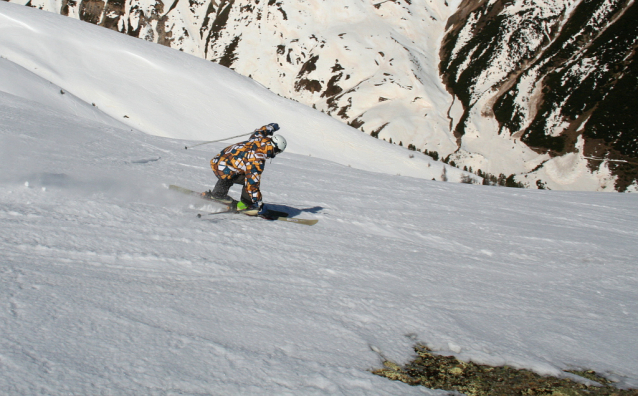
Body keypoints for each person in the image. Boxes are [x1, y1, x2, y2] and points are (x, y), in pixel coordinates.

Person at [206, 123, 287, 215]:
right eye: (278, 151)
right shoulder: (257, 158)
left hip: (218, 162)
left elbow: (259, 131)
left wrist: (271, 127)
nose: (276, 154)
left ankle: (218, 194)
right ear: (275, 149)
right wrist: (258, 201)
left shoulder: (258, 139)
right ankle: (245, 205)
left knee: (234, 170)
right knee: (248, 179)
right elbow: (252, 182)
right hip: (224, 169)